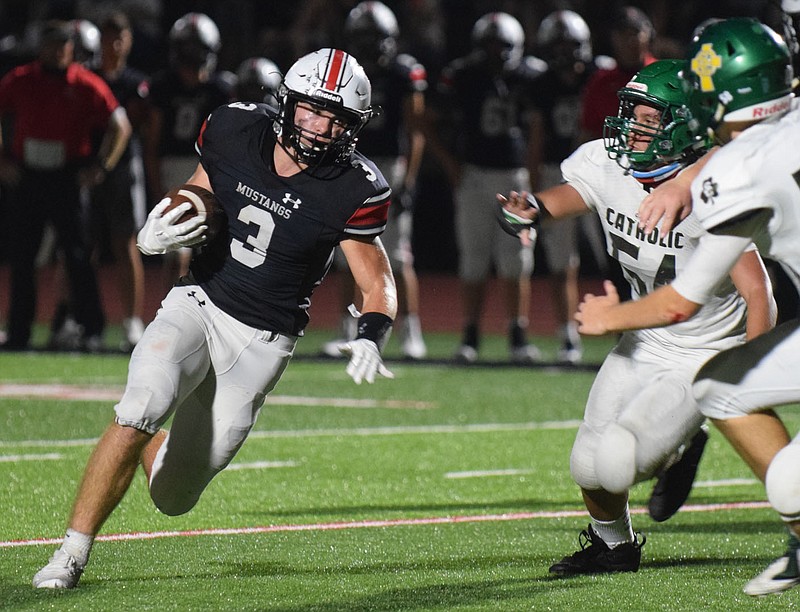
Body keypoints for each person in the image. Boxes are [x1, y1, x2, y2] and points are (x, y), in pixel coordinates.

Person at [32, 47, 397, 590]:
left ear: (353, 127)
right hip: (200, 300)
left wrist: (371, 333)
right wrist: (162, 225)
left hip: (263, 342)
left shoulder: (355, 186)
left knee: (173, 497)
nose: (319, 128)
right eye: (310, 111)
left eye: (335, 118)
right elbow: (199, 192)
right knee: (140, 405)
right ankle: (70, 554)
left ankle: (147, 440)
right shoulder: (235, 128)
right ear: (287, 103)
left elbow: (377, 281)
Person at [498, 58, 776, 576]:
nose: (632, 127)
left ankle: (690, 437)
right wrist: (530, 208)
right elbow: (572, 195)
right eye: (631, 113)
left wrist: (747, 377)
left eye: (649, 119)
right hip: (644, 340)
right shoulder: (608, 162)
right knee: (587, 463)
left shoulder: (713, 188)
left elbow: (759, 292)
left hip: (702, 349)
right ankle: (614, 546)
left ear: (686, 127)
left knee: (624, 461)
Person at [573, 17, 800, 596]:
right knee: (723, 388)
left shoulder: (733, 172)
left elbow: (683, 299)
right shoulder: (754, 147)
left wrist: (608, 319)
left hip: (689, 316)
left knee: (726, 390)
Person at [0, 19, 131, 351]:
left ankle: (91, 328)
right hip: (28, 175)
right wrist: (2, 160)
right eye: (51, 45)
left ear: (72, 49)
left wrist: (101, 167)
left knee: (77, 256)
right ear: (40, 48)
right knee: (23, 256)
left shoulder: (85, 83)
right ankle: (18, 331)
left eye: (63, 45)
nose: (57, 51)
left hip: (66, 177)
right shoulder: (21, 80)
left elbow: (121, 126)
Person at [427, 11, 544, 363]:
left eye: (501, 46)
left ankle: (518, 335)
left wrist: (533, 176)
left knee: (516, 261)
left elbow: (540, 130)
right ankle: (471, 335)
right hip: (475, 174)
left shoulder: (532, 76)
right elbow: (428, 121)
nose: (495, 53)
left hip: (515, 177)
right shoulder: (464, 75)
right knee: (473, 259)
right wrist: (450, 164)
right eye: (489, 46)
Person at [321, 0, 428, 360]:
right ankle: (346, 328)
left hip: (388, 165)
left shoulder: (402, 73)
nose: (369, 45)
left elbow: (415, 132)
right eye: (364, 37)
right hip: (350, 163)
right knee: (346, 253)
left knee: (399, 254)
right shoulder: (346, 71)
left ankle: (411, 331)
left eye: (375, 37)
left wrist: (408, 181)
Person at [528, 9, 610, 363]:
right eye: (557, 46)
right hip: (556, 173)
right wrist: (534, 187)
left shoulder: (600, 75)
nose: (563, 53)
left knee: (616, 255)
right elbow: (536, 137)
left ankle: (628, 326)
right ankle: (567, 336)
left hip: (601, 170)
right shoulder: (541, 83)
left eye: (569, 45)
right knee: (563, 261)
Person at [141, 12, 234, 290]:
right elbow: (153, 142)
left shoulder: (218, 89)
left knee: (201, 250)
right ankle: (175, 309)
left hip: (201, 168)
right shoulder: (217, 88)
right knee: (179, 249)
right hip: (187, 168)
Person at [89, 11, 150, 350]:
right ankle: (78, 316)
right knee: (83, 246)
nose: (113, 45)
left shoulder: (134, 83)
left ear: (128, 42)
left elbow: (137, 126)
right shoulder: (88, 77)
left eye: (119, 37)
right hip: (88, 167)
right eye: (107, 37)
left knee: (125, 241)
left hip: (124, 167)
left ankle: (131, 320)